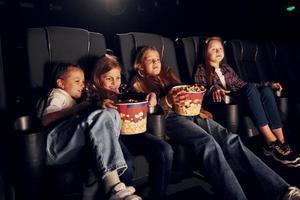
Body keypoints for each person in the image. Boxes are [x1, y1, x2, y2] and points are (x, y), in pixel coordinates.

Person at [130, 46, 300, 200]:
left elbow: (188, 91)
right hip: (168, 119)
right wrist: (164, 101)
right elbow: (141, 113)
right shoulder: (137, 84)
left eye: (158, 59)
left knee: (231, 139)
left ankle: (281, 189)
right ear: (140, 66)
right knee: (208, 143)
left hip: (192, 113)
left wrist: (192, 96)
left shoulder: (168, 75)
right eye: (150, 59)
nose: (156, 62)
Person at [39, 63, 141, 200]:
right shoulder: (57, 94)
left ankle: (113, 185)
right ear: (61, 83)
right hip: (53, 147)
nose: (82, 85)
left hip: (70, 148)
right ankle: (113, 188)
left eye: (82, 81)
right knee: (102, 115)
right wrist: (77, 109)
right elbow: (45, 120)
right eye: (77, 81)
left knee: (111, 113)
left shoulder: (75, 100)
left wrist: (96, 107)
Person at [194, 36, 300, 167]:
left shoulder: (227, 69)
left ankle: (281, 141)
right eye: (213, 49)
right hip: (224, 104)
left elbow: (242, 84)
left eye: (220, 48)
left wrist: (269, 84)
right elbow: (199, 87)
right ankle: (271, 142)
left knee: (266, 90)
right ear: (205, 52)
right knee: (250, 88)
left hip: (241, 99)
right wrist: (214, 88)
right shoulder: (201, 69)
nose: (218, 51)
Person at [92, 54, 173, 200]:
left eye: (117, 78)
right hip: (113, 139)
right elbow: (90, 114)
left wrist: (151, 95)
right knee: (126, 163)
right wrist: (99, 105)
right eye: (109, 78)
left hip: (133, 134)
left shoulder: (122, 91)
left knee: (165, 150)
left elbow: (139, 96)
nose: (114, 83)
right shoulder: (94, 95)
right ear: (98, 79)